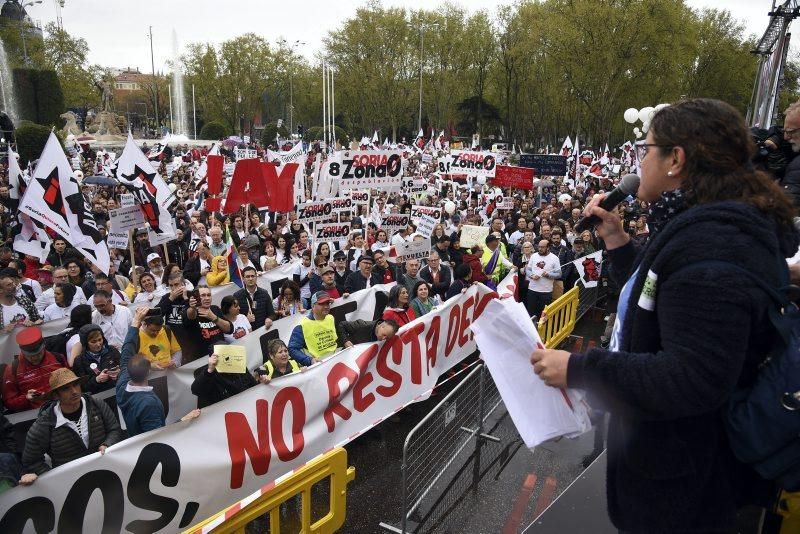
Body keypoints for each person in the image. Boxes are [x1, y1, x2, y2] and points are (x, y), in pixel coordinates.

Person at [531, 99, 799, 532]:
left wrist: (580, 367)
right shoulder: (699, 226)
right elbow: (659, 298)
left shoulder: (715, 245)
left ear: (676, 159)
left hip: (683, 488)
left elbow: (693, 378)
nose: (638, 160)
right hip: (680, 470)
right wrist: (618, 243)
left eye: (645, 148)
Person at [20, 368, 122, 485]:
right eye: (66, 388)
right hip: (71, 487)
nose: (74, 391)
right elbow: (31, 462)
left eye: (76, 385)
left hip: (108, 474)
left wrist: (107, 444)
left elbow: (114, 429)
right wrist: (54, 478)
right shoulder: (44, 424)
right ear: (56, 395)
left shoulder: (97, 404)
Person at [117, 307, 166, 436]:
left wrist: (135, 322)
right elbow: (157, 436)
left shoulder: (122, 385)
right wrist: (183, 421)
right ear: (148, 372)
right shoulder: (148, 404)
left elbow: (127, 349)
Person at [2, 327, 68, 412]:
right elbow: (9, 402)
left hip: (63, 408)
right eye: (29, 355)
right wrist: (26, 398)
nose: (35, 358)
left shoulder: (58, 358)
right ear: (22, 351)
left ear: (43, 346)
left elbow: (72, 385)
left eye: (38, 353)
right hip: (34, 416)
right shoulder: (12, 370)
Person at [190, 347, 257, 409]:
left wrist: (262, 383)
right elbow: (195, 390)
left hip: (247, 405)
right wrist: (209, 371)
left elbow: (254, 386)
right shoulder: (211, 377)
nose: (227, 361)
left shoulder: (240, 368)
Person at [288, 291, 340, 366]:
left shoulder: (331, 318)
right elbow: (292, 349)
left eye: (327, 303)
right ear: (312, 306)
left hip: (336, 361)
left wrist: (345, 341)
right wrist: (310, 360)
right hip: (318, 366)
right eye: (321, 304)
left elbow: (337, 337)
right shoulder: (301, 325)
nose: (326, 306)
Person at [183, 285, 232, 362]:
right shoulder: (191, 311)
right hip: (203, 361)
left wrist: (214, 318)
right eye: (203, 295)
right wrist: (193, 308)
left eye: (209, 295)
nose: (207, 298)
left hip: (222, 357)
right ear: (196, 297)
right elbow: (190, 316)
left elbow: (230, 329)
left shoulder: (214, 309)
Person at [71, 325, 121, 394]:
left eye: (100, 340)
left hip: (117, 391)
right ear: (85, 343)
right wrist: (96, 380)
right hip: (97, 397)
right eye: (93, 342)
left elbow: (126, 369)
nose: (98, 344)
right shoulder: (79, 361)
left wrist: (120, 372)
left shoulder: (112, 350)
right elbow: (81, 387)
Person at [525, 239, 562, 320]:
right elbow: (527, 270)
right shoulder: (534, 256)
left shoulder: (554, 258)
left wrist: (548, 275)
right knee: (531, 313)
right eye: (539, 247)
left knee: (543, 315)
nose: (540, 249)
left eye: (542, 247)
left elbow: (559, 274)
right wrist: (532, 275)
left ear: (548, 247)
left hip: (546, 292)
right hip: (532, 290)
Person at [234, 266, 276, 331]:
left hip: (263, 330)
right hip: (247, 334)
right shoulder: (237, 296)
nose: (250, 279)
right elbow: (234, 319)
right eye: (247, 276)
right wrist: (245, 320)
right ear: (243, 279)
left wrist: (269, 319)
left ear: (256, 277)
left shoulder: (264, 293)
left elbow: (272, 314)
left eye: (252, 276)